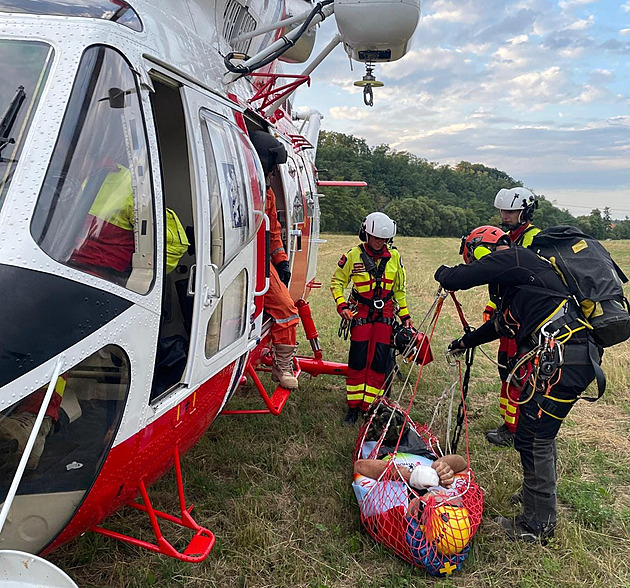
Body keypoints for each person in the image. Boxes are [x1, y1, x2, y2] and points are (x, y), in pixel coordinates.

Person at [434, 226, 601, 543]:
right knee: (535, 432)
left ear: (480, 249)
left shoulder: (516, 257)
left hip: (566, 359)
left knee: (534, 436)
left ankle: (537, 526)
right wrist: (464, 342)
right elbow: (500, 325)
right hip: (567, 358)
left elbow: (457, 278)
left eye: (473, 255)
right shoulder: (523, 285)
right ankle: (534, 502)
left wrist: (442, 273)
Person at [330, 213, 412, 425]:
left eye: (383, 239)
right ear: (365, 234)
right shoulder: (352, 256)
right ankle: (353, 406)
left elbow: (399, 290)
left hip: (384, 314)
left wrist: (405, 316)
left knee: (379, 361)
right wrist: (342, 305)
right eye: (375, 237)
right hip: (361, 314)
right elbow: (337, 282)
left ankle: (371, 406)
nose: (379, 242)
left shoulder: (394, 257)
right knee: (358, 360)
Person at [484, 187, 541, 447]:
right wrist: (491, 308)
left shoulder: (536, 239)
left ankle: (518, 431)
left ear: (525, 212)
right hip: (507, 317)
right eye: (504, 211)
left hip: (526, 321)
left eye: (511, 211)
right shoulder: (506, 239)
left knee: (520, 373)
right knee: (506, 369)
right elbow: (500, 281)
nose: (505, 215)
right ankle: (510, 425)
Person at [249, 130, 300, 390]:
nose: (272, 177)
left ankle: (282, 367)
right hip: (234, 258)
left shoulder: (267, 194)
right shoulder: (238, 188)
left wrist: (281, 262)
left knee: (286, 308)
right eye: (271, 171)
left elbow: (274, 231)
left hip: (257, 261)